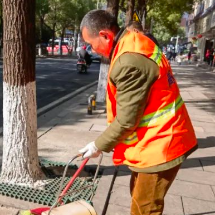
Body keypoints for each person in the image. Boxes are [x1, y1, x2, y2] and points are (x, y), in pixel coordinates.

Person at [79, 10, 197, 215]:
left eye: (91, 44)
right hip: (157, 140)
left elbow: (126, 120)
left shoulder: (128, 61)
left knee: (145, 209)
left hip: (160, 145)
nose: (92, 50)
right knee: (139, 198)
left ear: (106, 35)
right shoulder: (133, 42)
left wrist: (98, 145)